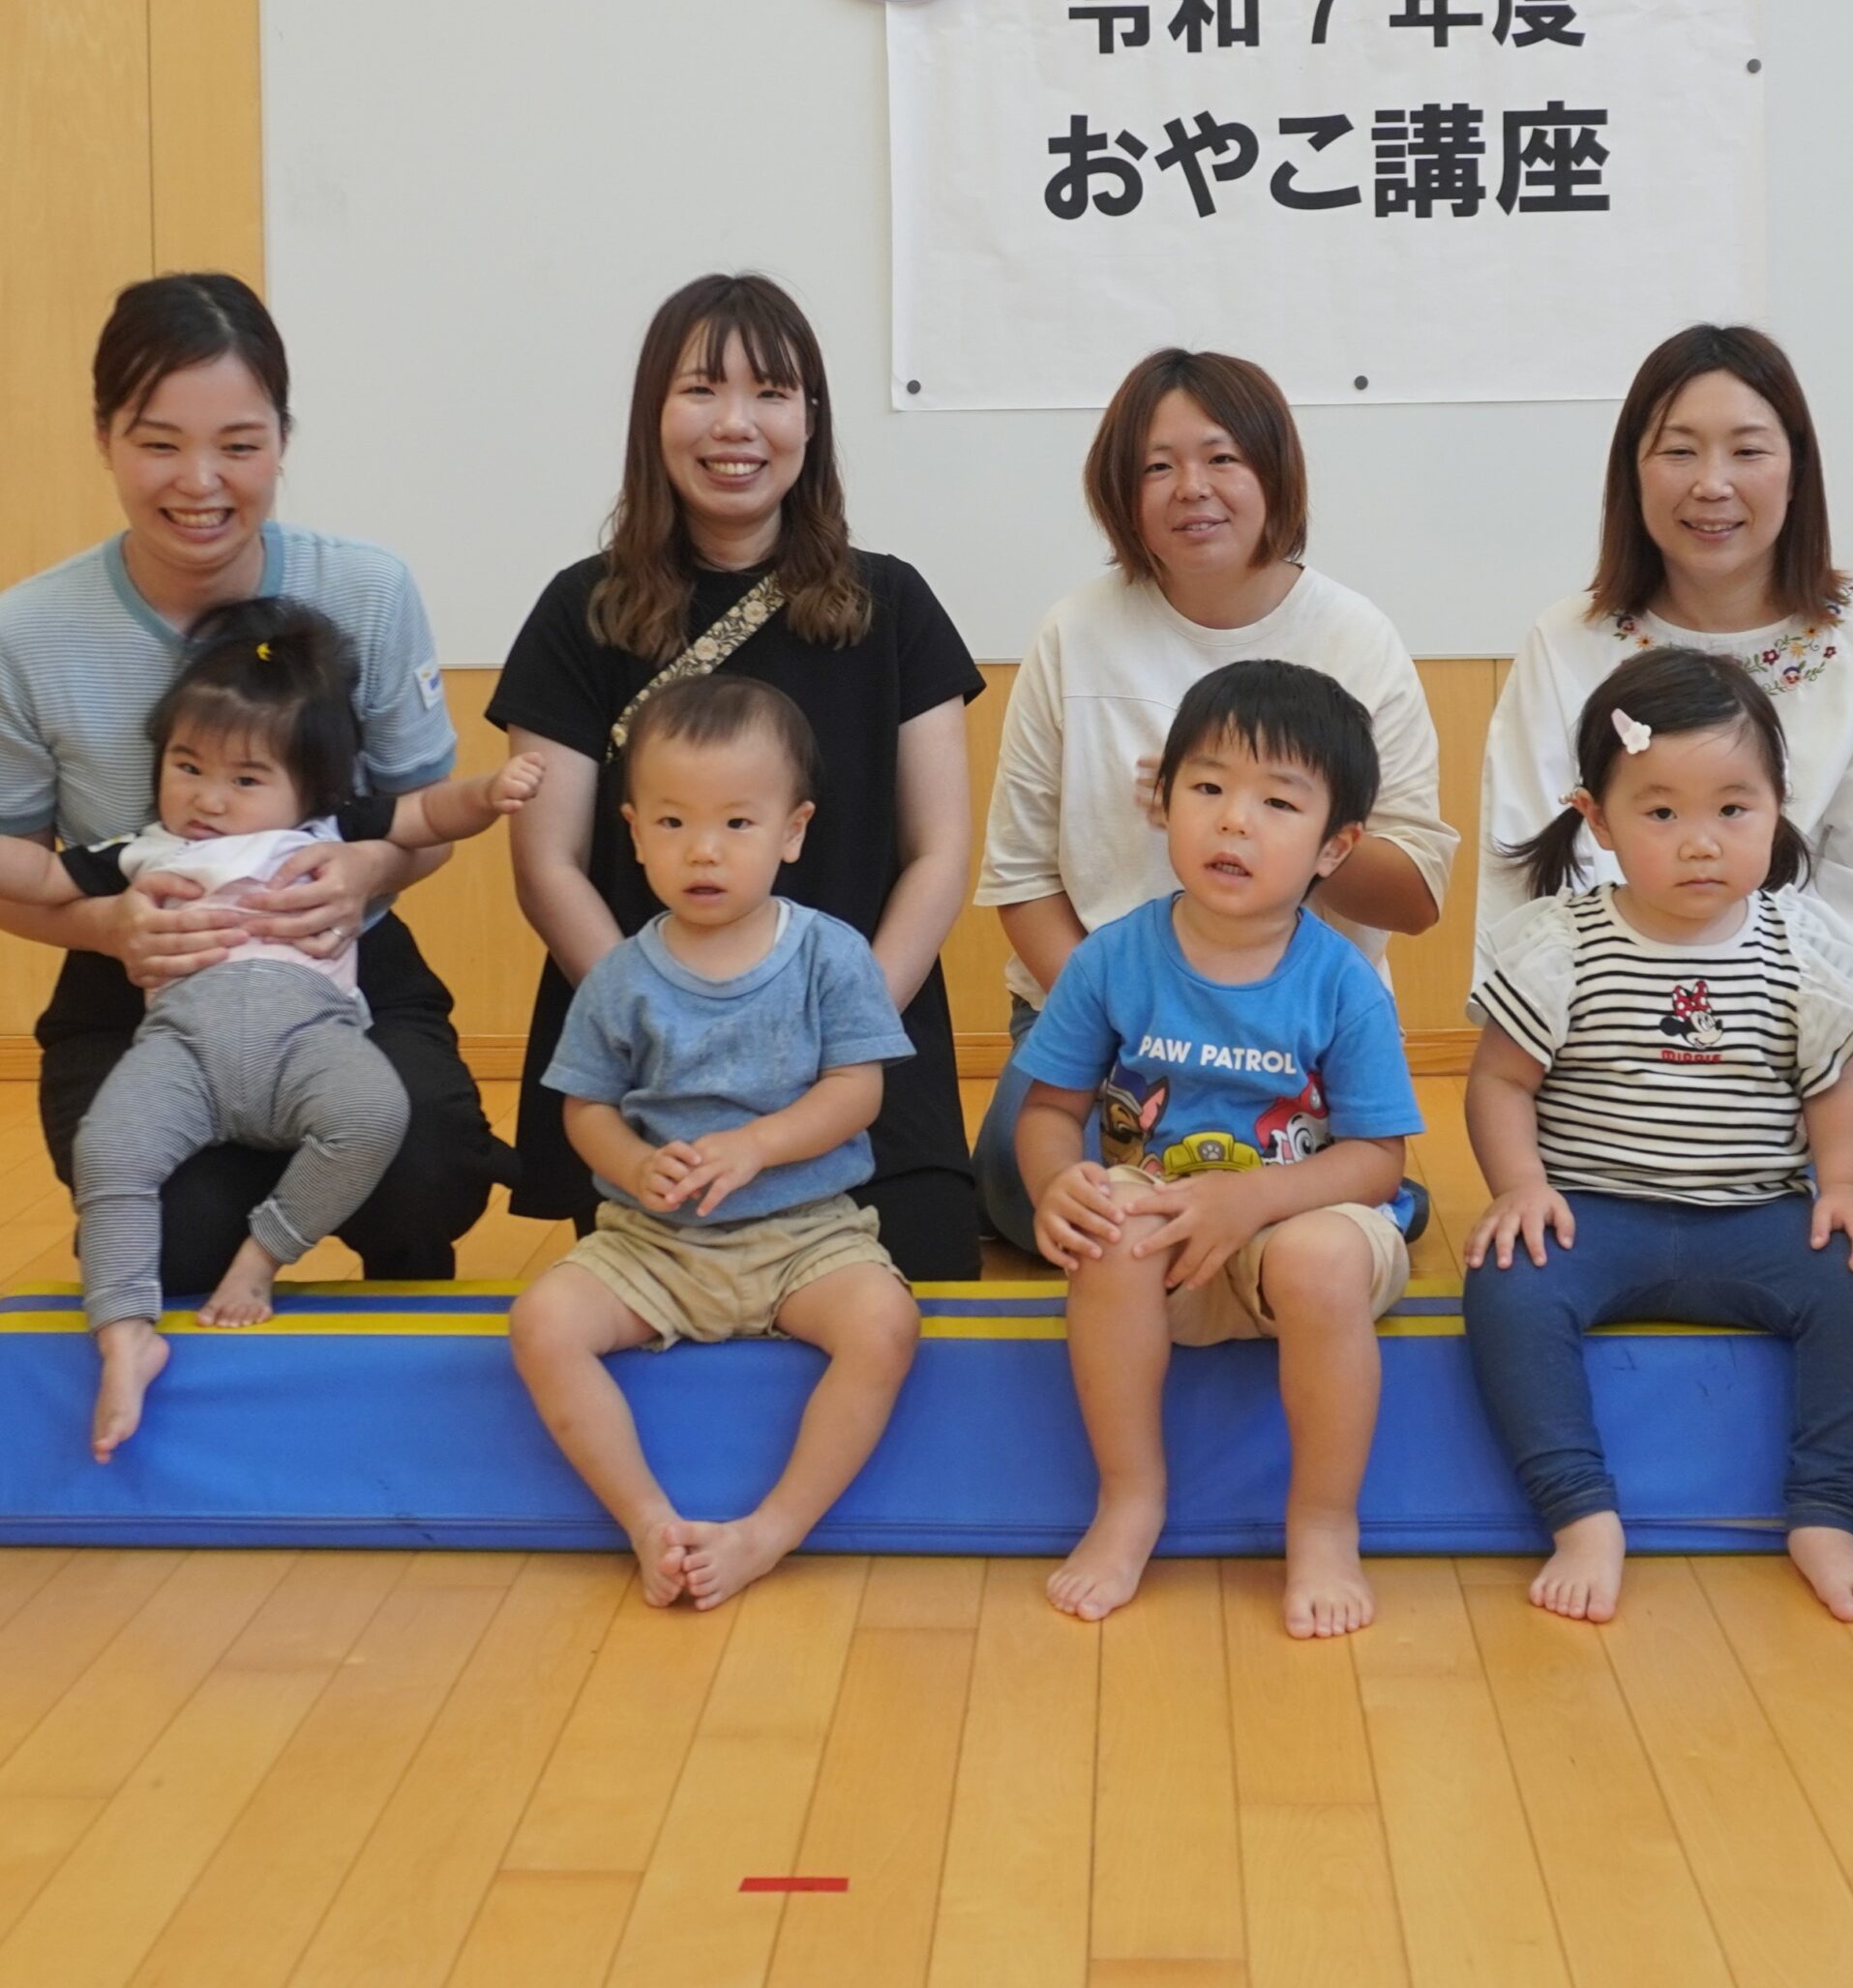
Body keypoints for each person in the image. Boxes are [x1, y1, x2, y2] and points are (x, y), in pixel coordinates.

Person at [0, 273, 508, 1299]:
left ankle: (403, 1272)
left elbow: (424, 821)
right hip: (138, 988)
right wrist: (111, 928)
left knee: (424, 1168)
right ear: (104, 436)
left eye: (239, 445)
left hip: (334, 964)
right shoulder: (28, 630)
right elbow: (23, 871)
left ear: (282, 438)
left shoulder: (367, 589)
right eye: (159, 443)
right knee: (174, 1232)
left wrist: (363, 871)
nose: (201, 483)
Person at [492, 273, 985, 1281]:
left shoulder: (893, 603)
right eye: (700, 389)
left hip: (858, 1054)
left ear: (811, 418)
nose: (736, 423)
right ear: (653, 413)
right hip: (646, 1066)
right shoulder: (579, 612)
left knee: (922, 1276)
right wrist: (656, 1022)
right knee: (644, 1299)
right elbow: (548, 865)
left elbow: (939, 852)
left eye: (771, 391)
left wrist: (842, 1035)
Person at [1478, 324, 1853, 1251]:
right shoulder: (1568, 641)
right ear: (1632, 475)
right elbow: (1538, 865)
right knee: (1549, 1270)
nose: (1711, 485)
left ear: (1797, 472)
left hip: (1817, 1051)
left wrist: (1749, 995)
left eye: (1748, 451)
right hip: (1602, 1047)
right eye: (1678, 451)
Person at [0, 600, 541, 1458]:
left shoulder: (324, 834)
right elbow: (35, 876)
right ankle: (124, 1331)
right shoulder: (144, 849)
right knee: (111, 1149)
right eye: (187, 767)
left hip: (310, 1044)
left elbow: (430, 817)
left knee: (376, 1114)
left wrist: (488, 791)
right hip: (180, 1053)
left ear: (309, 789)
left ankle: (263, 1255)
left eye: (245, 780)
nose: (207, 799)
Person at [1461, 647, 1853, 1627]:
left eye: (1733, 809)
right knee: (1508, 1287)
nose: (1701, 842)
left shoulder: (1802, 947)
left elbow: (1837, 1087)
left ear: (1777, 807)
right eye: (1661, 813)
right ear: (1598, 820)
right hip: (1592, 1215)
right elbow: (1499, 1078)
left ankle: (1828, 1514)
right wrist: (1521, 1185)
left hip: (1755, 1215)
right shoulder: (1562, 944)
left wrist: (1845, 1189)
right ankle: (1579, 1513)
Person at [975, 347, 1454, 1253]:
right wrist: (1120, 1014)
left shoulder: (1355, 637)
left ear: (1273, 470)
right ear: (1121, 493)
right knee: (1018, 1176)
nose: (1191, 488)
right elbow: (1021, 878)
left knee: (1184, 1206)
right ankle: (1291, 1207)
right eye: (1157, 467)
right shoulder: (1076, 631)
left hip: (1299, 1017)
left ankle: (1299, 1202)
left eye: (1222, 457)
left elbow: (1417, 895)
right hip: (1101, 1007)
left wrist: (1286, 818)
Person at [1016, 661, 1428, 1639]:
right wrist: (1057, 1181)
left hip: (1303, 1231)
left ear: (1335, 846)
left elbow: (1379, 1159)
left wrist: (1250, 1201)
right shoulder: (1110, 958)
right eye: (1207, 788)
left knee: (1319, 1255)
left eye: (1277, 803)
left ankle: (1322, 1523)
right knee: (1112, 1228)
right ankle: (1129, 1500)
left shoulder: (1340, 980)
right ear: (1162, 803)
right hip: (1169, 1242)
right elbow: (1047, 1111)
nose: (1234, 821)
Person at [507, 676, 922, 1612]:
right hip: (656, 1244)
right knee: (543, 1324)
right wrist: (633, 1163)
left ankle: (772, 1531)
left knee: (885, 1326)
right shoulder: (620, 976)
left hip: (806, 1234)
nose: (703, 849)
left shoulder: (829, 954)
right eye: (672, 822)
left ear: (793, 831)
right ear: (633, 832)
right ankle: (649, 1521)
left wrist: (758, 1147)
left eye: (737, 823)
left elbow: (857, 1092)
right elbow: (586, 1111)